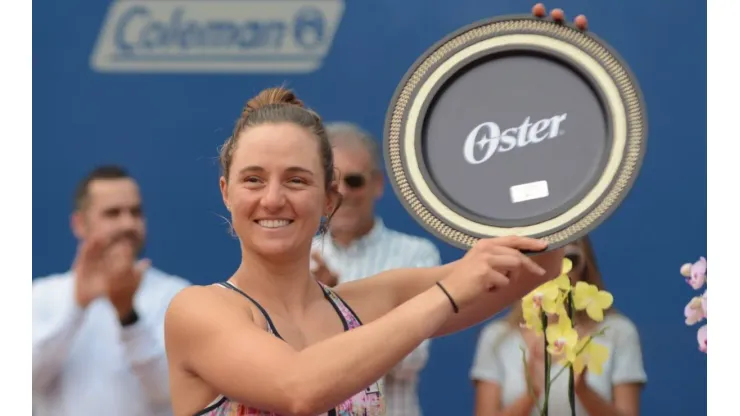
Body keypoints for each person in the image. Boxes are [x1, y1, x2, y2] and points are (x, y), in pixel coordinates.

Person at [164, 8, 589, 415]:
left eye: (296, 180)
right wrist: (448, 292)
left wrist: (546, 83)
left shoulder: (366, 303)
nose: (272, 199)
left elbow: (536, 266)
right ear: (226, 192)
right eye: (253, 179)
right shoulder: (198, 311)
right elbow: (298, 389)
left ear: (330, 199)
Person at [32, 165, 192, 416]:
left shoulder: (177, 296)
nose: (128, 223)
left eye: (135, 212)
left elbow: (169, 389)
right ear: (79, 224)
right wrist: (77, 307)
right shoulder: (40, 295)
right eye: (112, 213)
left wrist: (127, 315)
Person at [310, 122, 440, 416]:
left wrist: (334, 304)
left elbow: (411, 359)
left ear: (377, 184)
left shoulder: (415, 255)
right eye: (331, 182)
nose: (341, 192)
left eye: (353, 181)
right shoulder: (298, 258)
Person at [470, 236, 647, 416]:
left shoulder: (616, 332)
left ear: (585, 265)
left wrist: (583, 391)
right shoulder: (499, 336)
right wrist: (533, 393)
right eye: (541, 261)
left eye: (569, 259)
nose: (557, 271)